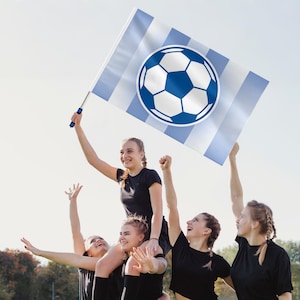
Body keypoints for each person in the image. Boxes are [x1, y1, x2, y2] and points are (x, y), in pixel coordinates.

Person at [70, 112, 171, 296]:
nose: (125, 155)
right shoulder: (122, 177)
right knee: (102, 265)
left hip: (154, 233)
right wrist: (78, 128)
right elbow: (94, 161)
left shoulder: (150, 176)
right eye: (122, 152)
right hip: (130, 235)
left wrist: (154, 240)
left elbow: (158, 211)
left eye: (130, 151)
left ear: (141, 154)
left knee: (133, 264)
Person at [21, 183, 122, 300]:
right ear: (87, 252)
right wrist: (73, 200)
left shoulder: (117, 262)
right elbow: (75, 231)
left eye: (100, 238)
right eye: (92, 241)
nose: (98, 240)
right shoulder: (84, 263)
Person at [159, 155, 234, 300]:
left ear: (207, 231)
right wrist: (166, 171)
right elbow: (171, 206)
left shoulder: (218, 262)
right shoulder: (180, 246)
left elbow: (243, 288)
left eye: (195, 220)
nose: (188, 222)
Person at [228, 143, 293, 300]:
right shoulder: (244, 245)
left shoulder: (277, 255)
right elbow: (236, 197)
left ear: (254, 224)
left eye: (243, 216)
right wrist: (232, 158)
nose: (238, 219)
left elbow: (285, 296)